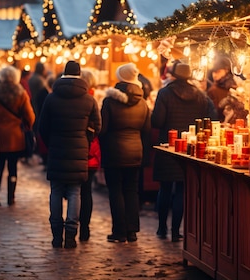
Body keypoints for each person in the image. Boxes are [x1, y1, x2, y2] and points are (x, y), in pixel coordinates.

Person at [151, 60, 218, 242]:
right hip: (189, 147)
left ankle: (161, 228)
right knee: (181, 189)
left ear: (173, 74)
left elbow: (157, 121)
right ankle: (176, 231)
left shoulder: (165, 93)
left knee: (165, 189)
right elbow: (212, 119)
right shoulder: (200, 95)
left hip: (168, 147)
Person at [38, 61, 101, 249]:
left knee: (56, 191)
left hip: (56, 150)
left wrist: (51, 143)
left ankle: (57, 234)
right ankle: (71, 235)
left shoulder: (51, 98)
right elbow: (97, 126)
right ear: (80, 74)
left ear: (63, 74)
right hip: (79, 150)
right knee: (75, 191)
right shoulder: (89, 100)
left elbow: (42, 127)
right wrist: (86, 140)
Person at [99, 62, 151, 243]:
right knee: (131, 191)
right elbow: (146, 130)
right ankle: (132, 231)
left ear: (120, 77)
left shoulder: (109, 101)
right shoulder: (143, 103)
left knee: (115, 191)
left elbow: (102, 129)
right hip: (135, 151)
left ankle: (119, 232)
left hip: (114, 152)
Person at [0, 65, 35, 206]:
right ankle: (11, 197)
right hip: (15, 138)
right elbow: (30, 116)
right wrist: (27, 125)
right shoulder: (21, 92)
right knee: (13, 168)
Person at [79, 69, 102, 241]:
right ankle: (84, 228)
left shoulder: (83, 99)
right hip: (91, 151)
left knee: (74, 191)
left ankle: (73, 225)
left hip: (79, 150)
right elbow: (99, 127)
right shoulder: (95, 99)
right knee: (87, 192)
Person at [207, 55, 238, 121]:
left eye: (218, 71)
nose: (215, 75)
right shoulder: (213, 90)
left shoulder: (235, 87)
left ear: (226, 70)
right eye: (213, 72)